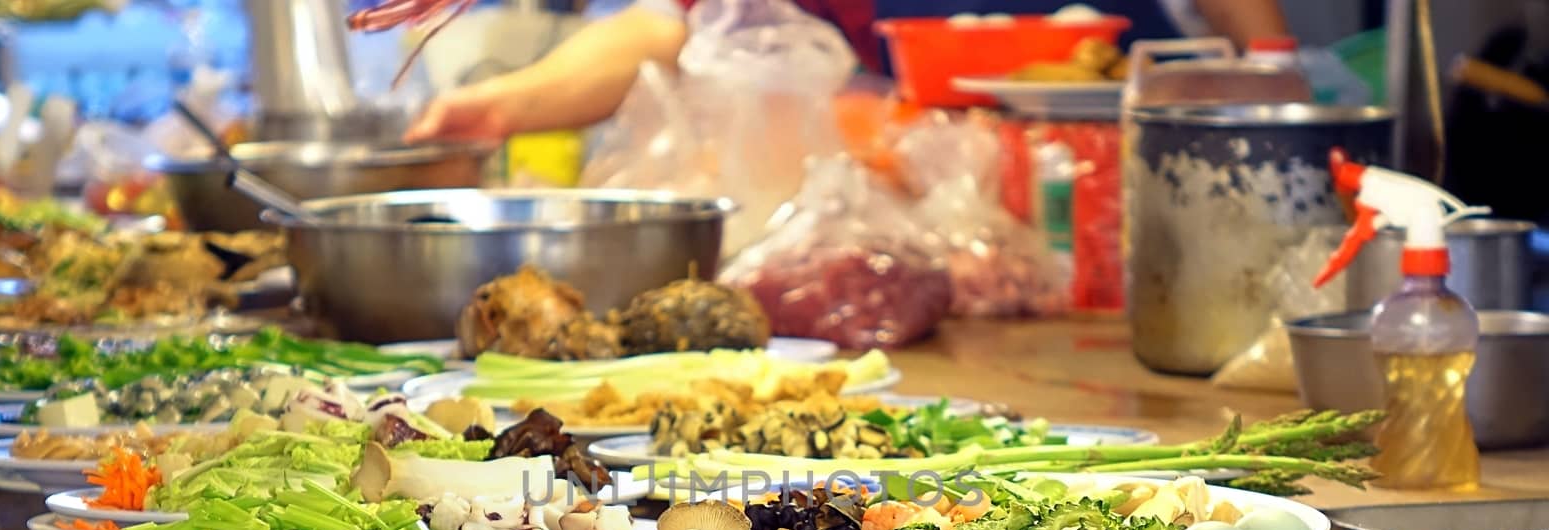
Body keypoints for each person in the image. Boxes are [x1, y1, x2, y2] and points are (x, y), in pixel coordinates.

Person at [404, 0, 1289, 144]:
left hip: (1127, 172)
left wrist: (1276, 67)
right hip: (952, 229)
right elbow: (680, 26)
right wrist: (501, 105)